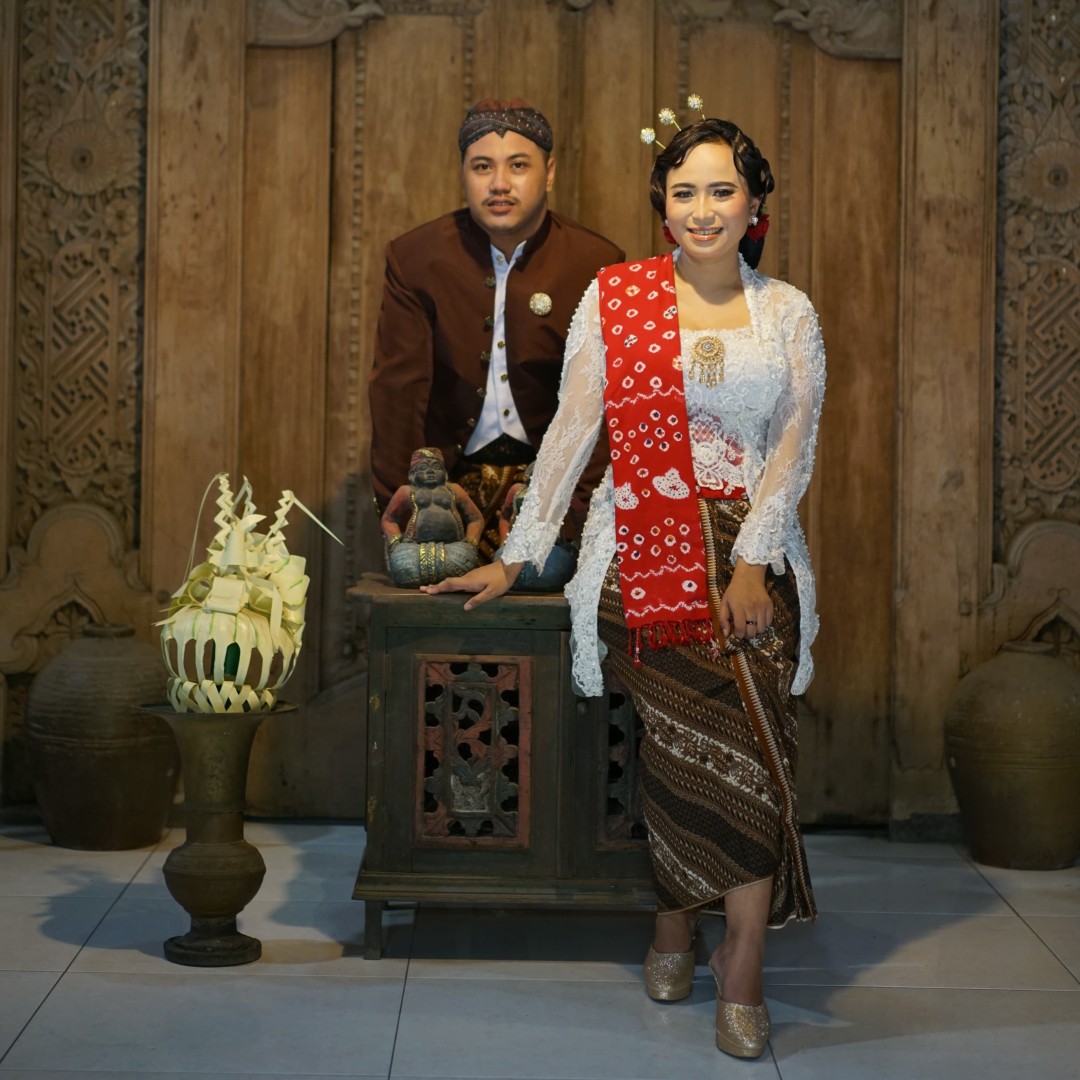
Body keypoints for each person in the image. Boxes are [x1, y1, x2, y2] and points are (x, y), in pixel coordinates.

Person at [424, 110, 825, 1059]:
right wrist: (519, 552)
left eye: (721, 190)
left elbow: (793, 446)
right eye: (684, 192)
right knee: (676, 757)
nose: (702, 209)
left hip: (752, 553)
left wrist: (752, 564)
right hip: (638, 550)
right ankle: (675, 919)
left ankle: (743, 959)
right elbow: (572, 431)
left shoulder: (788, 312)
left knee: (755, 757)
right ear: (663, 206)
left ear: (754, 204)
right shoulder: (619, 297)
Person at [368, 98, 624, 558]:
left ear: (549, 173)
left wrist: (576, 511)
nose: (499, 183)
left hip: (554, 493)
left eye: (518, 166)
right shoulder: (417, 258)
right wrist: (406, 506)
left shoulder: (596, 264)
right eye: (482, 166)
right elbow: (397, 394)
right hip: (444, 492)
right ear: (463, 173)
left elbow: (607, 405)